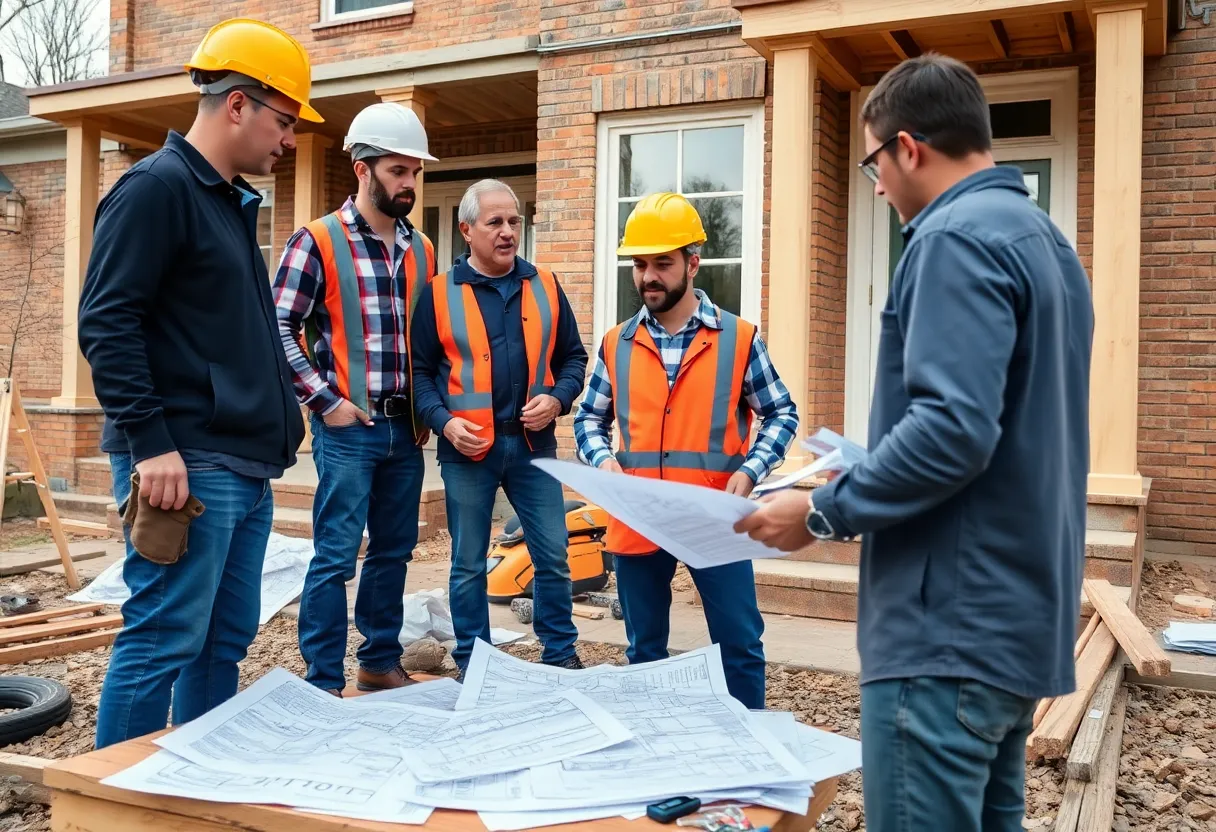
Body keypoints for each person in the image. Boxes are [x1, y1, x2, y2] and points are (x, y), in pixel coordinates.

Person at [736, 54, 1093, 831]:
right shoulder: (1047, 245)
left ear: (908, 146)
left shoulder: (951, 237)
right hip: (1017, 616)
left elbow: (952, 430)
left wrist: (823, 509)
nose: (875, 184)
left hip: (945, 629)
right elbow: (999, 428)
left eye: (872, 162)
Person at [79, 17, 321, 748]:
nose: (288, 140)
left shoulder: (224, 203)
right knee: (162, 638)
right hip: (183, 464)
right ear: (239, 104)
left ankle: (194, 783)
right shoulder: (156, 190)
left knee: (221, 643)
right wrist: (151, 445)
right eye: (283, 121)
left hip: (239, 466)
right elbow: (106, 322)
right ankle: (116, 805)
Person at [572, 192, 799, 710]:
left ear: (692, 263)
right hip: (638, 519)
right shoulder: (616, 343)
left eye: (662, 264)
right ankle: (655, 758)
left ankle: (747, 756)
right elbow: (588, 416)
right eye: (640, 264)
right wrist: (604, 464)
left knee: (739, 645)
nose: (648, 276)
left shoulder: (739, 339)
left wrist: (751, 470)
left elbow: (781, 413)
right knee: (644, 651)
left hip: (714, 514)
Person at [272, 102, 437, 696]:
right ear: (363, 170)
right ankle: (320, 680)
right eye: (398, 171)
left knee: (393, 553)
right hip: (348, 430)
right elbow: (277, 326)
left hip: (404, 431)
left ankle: (377, 662)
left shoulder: (420, 250)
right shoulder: (316, 240)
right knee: (336, 557)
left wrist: (429, 409)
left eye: (414, 172)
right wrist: (323, 401)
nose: (409, 184)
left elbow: (430, 339)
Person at [411, 179, 588, 675]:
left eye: (514, 221)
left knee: (552, 553)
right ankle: (475, 659)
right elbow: (420, 374)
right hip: (469, 451)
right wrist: (444, 424)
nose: (508, 231)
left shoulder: (547, 285)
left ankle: (559, 652)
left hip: (534, 447)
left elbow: (574, 358)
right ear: (467, 230)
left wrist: (557, 399)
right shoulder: (439, 294)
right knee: (468, 563)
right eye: (495, 222)